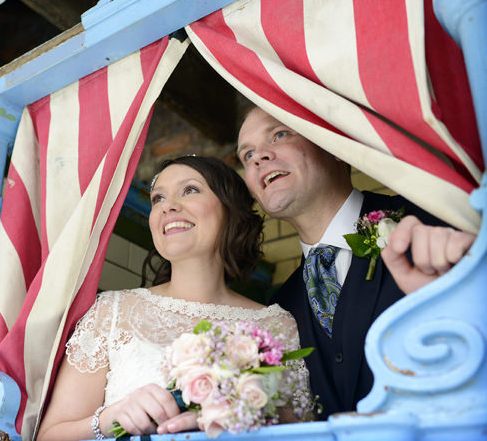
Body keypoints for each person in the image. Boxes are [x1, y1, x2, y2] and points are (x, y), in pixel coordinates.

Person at [37, 156, 313, 441]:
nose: (167, 205)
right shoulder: (112, 311)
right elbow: (49, 436)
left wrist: (244, 412)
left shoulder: (276, 324)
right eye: (158, 198)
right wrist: (110, 418)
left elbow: (303, 430)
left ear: (230, 211)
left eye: (190, 190)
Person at [236, 106, 477, 419]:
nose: (259, 157)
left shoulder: (432, 222)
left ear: (334, 145)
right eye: (247, 154)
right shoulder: (281, 307)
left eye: (280, 134)